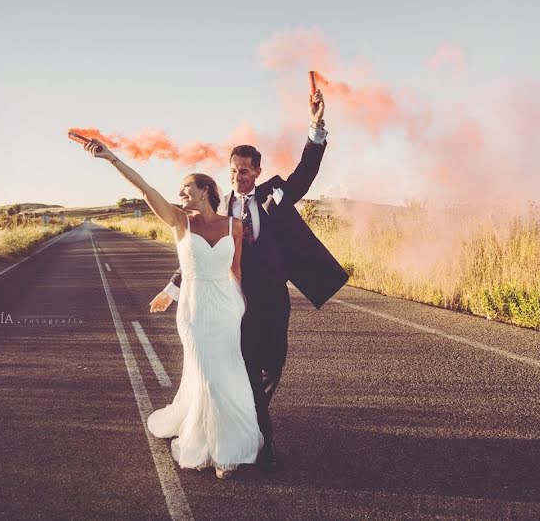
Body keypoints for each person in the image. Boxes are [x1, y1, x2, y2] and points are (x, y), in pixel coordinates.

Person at [149, 89, 349, 471]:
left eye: (244, 170)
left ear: (257, 171)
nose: (238, 176)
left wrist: (316, 127)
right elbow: (200, 251)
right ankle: (261, 439)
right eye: (233, 170)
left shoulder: (274, 192)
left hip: (274, 296)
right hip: (232, 301)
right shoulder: (220, 209)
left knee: (274, 362)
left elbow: (304, 175)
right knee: (246, 364)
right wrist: (173, 289)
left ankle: (250, 410)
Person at [79, 141, 261, 480]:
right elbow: (146, 189)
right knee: (207, 371)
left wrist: (242, 303)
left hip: (226, 309)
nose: (181, 196)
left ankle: (230, 439)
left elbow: (235, 269)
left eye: (187, 190)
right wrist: (112, 159)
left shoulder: (234, 225)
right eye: (179, 192)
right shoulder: (179, 222)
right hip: (193, 309)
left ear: (206, 190)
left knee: (227, 371)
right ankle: (218, 449)